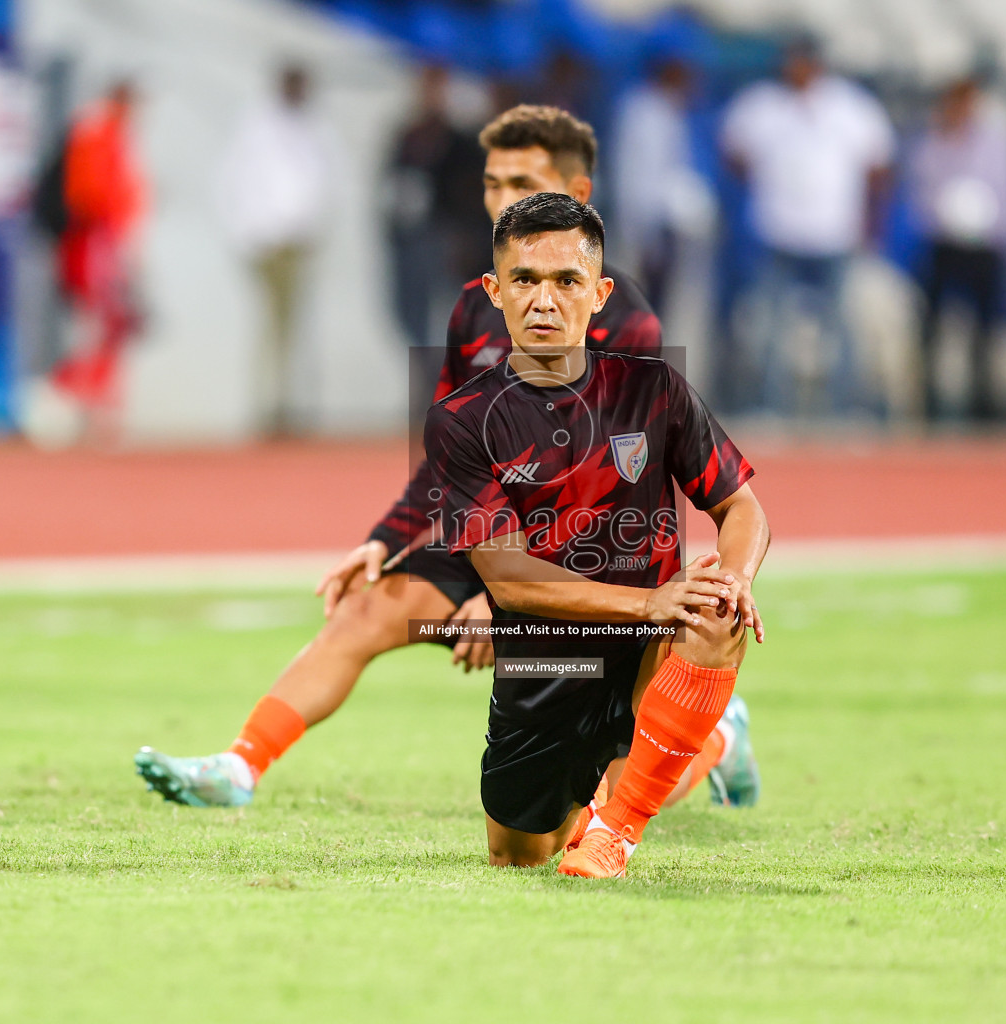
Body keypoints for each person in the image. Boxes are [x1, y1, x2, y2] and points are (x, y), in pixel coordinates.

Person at [136, 105, 757, 814]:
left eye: (521, 182)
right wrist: (385, 539)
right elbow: (450, 456)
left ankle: (715, 739)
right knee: (366, 610)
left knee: (622, 779)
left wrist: (508, 607)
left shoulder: (626, 320)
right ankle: (240, 765)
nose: (499, 200)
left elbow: (631, 484)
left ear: (575, 194)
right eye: (492, 184)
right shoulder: (473, 307)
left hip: (590, 553)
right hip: (495, 537)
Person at [424, 192, 769, 874]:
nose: (544, 300)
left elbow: (741, 507)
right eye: (525, 280)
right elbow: (510, 580)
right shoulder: (461, 421)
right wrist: (648, 600)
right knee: (519, 857)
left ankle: (620, 833)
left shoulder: (656, 390)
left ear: (600, 292)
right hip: (550, 663)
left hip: (648, 649)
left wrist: (733, 578)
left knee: (714, 614)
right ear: (494, 290)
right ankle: (717, 745)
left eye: (566, 281)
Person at [721, 35, 894, 415]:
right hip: (777, 231)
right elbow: (732, 152)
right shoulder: (762, 104)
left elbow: (879, 165)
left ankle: (846, 408)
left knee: (842, 325)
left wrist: (870, 222)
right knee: (771, 324)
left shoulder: (850, 106)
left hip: (834, 232)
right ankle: (769, 405)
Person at [216, 64, 336, 436]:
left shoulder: (312, 128)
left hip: (295, 240)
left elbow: (320, 183)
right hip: (268, 239)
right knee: (273, 324)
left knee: (291, 325)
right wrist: (248, 233)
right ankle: (270, 404)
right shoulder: (258, 126)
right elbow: (236, 180)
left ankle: (286, 403)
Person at [905, 75, 1006, 421]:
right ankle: (927, 407)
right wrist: (943, 220)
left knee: (986, 331)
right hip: (943, 245)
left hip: (987, 248)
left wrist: (998, 232)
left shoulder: (997, 143)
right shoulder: (930, 142)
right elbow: (920, 193)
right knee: (930, 328)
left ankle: (984, 406)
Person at [50, 80, 147, 442]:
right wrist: (112, 248)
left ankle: (100, 407)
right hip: (97, 243)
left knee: (110, 329)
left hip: (110, 244)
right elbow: (88, 197)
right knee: (96, 327)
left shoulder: (117, 137)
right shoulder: (96, 134)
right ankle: (80, 402)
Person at [385, 65, 491, 349]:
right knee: (411, 318)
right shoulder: (409, 137)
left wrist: (466, 240)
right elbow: (394, 188)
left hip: (447, 247)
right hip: (412, 246)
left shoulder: (461, 142)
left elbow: (472, 196)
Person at [611, 57, 716, 316]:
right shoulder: (643, 111)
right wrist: (642, 230)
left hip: (666, 219)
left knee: (660, 296)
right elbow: (636, 174)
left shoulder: (672, 113)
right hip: (646, 218)